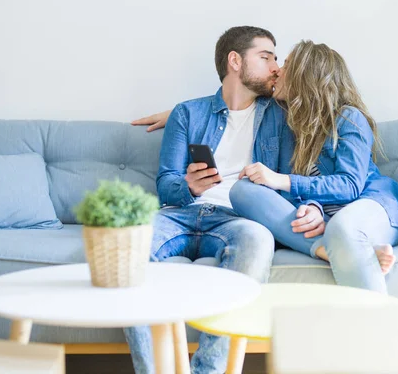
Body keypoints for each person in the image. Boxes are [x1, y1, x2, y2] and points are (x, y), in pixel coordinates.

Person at [132, 41, 398, 295]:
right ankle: (341, 250)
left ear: (305, 75)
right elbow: (228, 104)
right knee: (244, 190)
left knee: (343, 229)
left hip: (369, 203)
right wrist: (180, 114)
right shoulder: (294, 120)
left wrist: (285, 183)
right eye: (269, 59)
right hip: (329, 215)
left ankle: (376, 327)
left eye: (285, 64)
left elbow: (348, 185)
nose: (278, 70)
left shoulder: (347, 119)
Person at [125, 27, 326, 374]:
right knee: (127, 248)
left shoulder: (282, 117)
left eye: (277, 59)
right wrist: (190, 186)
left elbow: (298, 179)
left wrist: (315, 207)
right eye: (266, 57)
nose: (276, 67)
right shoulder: (188, 113)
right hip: (180, 214)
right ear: (235, 60)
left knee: (259, 240)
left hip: (238, 218)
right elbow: (165, 184)